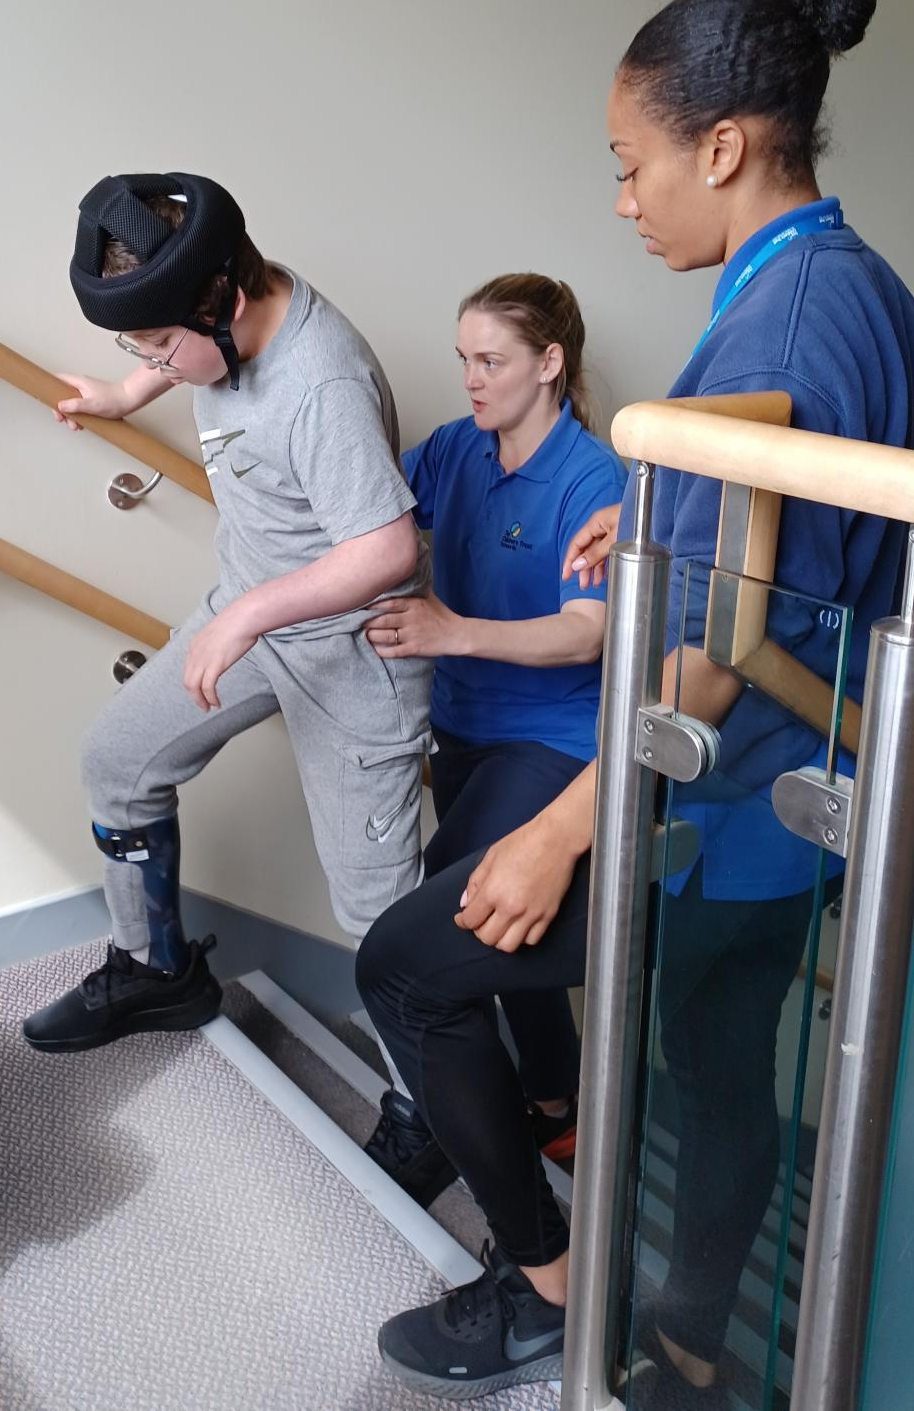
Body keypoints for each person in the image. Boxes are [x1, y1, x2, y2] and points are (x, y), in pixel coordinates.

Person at [356, 0, 914, 1405]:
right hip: (789, 807)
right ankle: (684, 1348)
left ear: (725, 147)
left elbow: (736, 641)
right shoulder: (853, 287)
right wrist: (660, 513)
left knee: (408, 971)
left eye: (633, 166)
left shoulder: (783, 321)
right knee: (716, 1062)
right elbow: (792, 531)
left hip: (723, 805)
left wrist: (562, 831)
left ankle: (548, 1282)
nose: (626, 201)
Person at [22, 171, 432, 1052]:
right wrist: (123, 396)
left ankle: (423, 1115)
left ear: (228, 302)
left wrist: (245, 618)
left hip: (354, 655)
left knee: (378, 914)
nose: (155, 364)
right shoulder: (226, 302)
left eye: (158, 349)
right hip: (256, 613)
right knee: (117, 761)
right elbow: (188, 356)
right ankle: (159, 969)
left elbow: (389, 549)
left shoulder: (322, 383)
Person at [358, 274, 627, 1206]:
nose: (472, 380)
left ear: (550, 364)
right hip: (463, 729)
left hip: (553, 745)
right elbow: (370, 503)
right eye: (464, 359)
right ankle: (555, 1101)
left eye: (492, 361)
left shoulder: (595, 477)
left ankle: (457, 1135)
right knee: (516, 931)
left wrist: (450, 630)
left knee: (446, 925)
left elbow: (589, 630)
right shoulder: (457, 453)